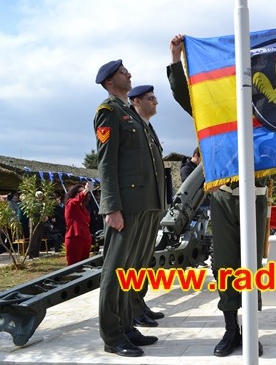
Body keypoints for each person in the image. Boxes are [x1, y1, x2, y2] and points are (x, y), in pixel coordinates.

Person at [168, 34, 267, 357]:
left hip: (256, 194)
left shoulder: (269, 110)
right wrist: (176, 58)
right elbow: (186, 96)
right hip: (223, 197)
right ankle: (230, 329)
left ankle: (251, 331)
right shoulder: (215, 111)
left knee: (250, 266)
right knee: (225, 264)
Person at [94, 60, 166, 357]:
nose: (130, 75)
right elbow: (106, 162)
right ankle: (112, 336)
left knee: (131, 270)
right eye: (124, 73)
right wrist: (111, 206)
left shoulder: (130, 115)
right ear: (110, 81)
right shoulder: (108, 112)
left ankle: (125, 326)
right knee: (115, 272)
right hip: (125, 206)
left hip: (145, 204)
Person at [127, 84, 166, 329]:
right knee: (132, 261)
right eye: (151, 98)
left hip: (152, 204)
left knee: (143, 260)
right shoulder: (131, 124)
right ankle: (130, 310)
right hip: (137, 203)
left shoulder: (147, 128)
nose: (156, 102)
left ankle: (139, 303)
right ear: (137, 102)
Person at [64, 183, 93, 265]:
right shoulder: (70, 203)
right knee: (73, 266)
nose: (83, 193)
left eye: (83, 191)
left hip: (86, 238)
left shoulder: (83, 207)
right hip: (74, 237)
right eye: (79, 191)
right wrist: (86, 189)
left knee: (85, 265)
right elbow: (77, 199)